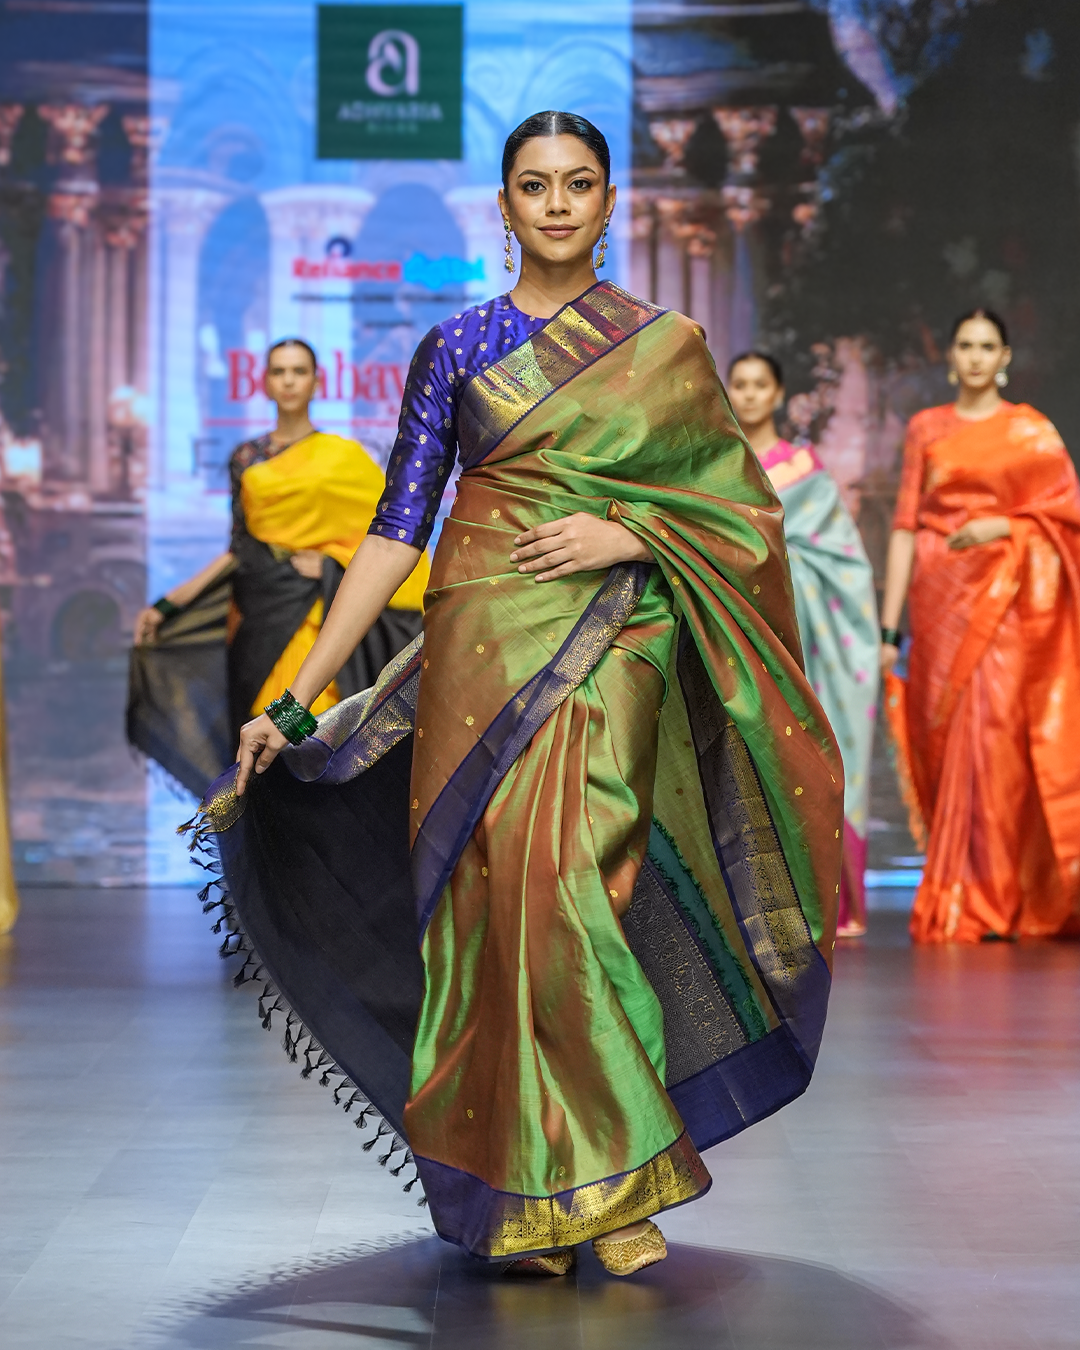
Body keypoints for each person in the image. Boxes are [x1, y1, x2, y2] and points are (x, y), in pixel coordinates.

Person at [195, 112, 843, 1276]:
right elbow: (395, 533)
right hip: (480, 646)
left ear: (608, 202)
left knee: (574, 883)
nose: (555, 205)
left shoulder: (667, 345)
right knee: (490, 910)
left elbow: (739, 514)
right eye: (533, 186)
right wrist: (296, 698)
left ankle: (616, 1179)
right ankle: (527, 1195)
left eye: (577, 184)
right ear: (502, 206)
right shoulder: (454, 348)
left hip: (618, 636)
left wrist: (626, 530)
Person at [127, 338, 428, 796]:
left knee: (314, 736)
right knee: (259, 750)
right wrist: (168, 605)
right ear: (265, 382)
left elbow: (386, 542)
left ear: (316, 383)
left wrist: (332, 564)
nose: (288, 381)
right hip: (261, 621)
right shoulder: (245, 459)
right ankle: (264, 835)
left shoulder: (344, 457)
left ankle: (324, 830)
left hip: (319, 615)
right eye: (279, 371)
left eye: (299, 371)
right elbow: (239, 550)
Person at [880, 309, 1080, 942]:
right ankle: (962, 891)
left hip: (1011, 605)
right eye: (964, 345)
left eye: (986, 346)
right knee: (944, 745)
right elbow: (906, 525)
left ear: (1005, 357)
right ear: (951, 356)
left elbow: (1066, 513)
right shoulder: (926, 427)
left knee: (996, 741)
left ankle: (998, 897)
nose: (974, 356)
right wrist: (888, 629)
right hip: (939, 603)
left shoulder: (1030, 431)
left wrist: (1004, 526)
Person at [727, 352, 878, 937]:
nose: (749, 394)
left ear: (778, 395)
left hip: (800, 640)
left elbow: (841, 563)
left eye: (760, 385)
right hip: (732, 630)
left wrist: (769, 561)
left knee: (801, 754)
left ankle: (820, 901)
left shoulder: (805, 471)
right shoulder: (716, 462)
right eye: (739, 384)